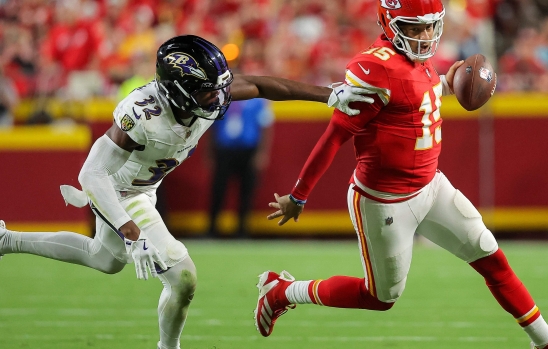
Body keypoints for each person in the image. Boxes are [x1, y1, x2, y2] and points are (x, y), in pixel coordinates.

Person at [256, 2, 548, 349]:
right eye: (414, 28)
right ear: (389, 23)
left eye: (430, 26)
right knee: (381, 297)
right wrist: (299, 195)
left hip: (431, 187)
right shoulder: (375, 68)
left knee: (491, 256)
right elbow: (334, 137)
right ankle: (283, 291)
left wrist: (458, 81)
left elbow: (423, 90)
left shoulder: (417, 60)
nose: (424, 36)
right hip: (383, 201)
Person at [0, 35, 374, 349]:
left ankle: (6, 241)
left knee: (104, 260)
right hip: (119, 192)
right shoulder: (143, 114)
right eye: (209, 92)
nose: (219, 98)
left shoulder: (208, 93)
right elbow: (92, 174)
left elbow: (261, 85)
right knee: (182, 277)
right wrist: (130, 230)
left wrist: (328, 95)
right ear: (178, 91)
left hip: (144, 189)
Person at [206, 97, 274, 238]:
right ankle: (212, 229)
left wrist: (262, 152)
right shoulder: (219, 99)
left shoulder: (257, 101)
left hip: (248, 150)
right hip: (224, 149)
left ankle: (242, 229)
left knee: (246, 191)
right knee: (218, 190)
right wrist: (209, 152)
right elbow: (210, 127)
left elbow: (265, 126)